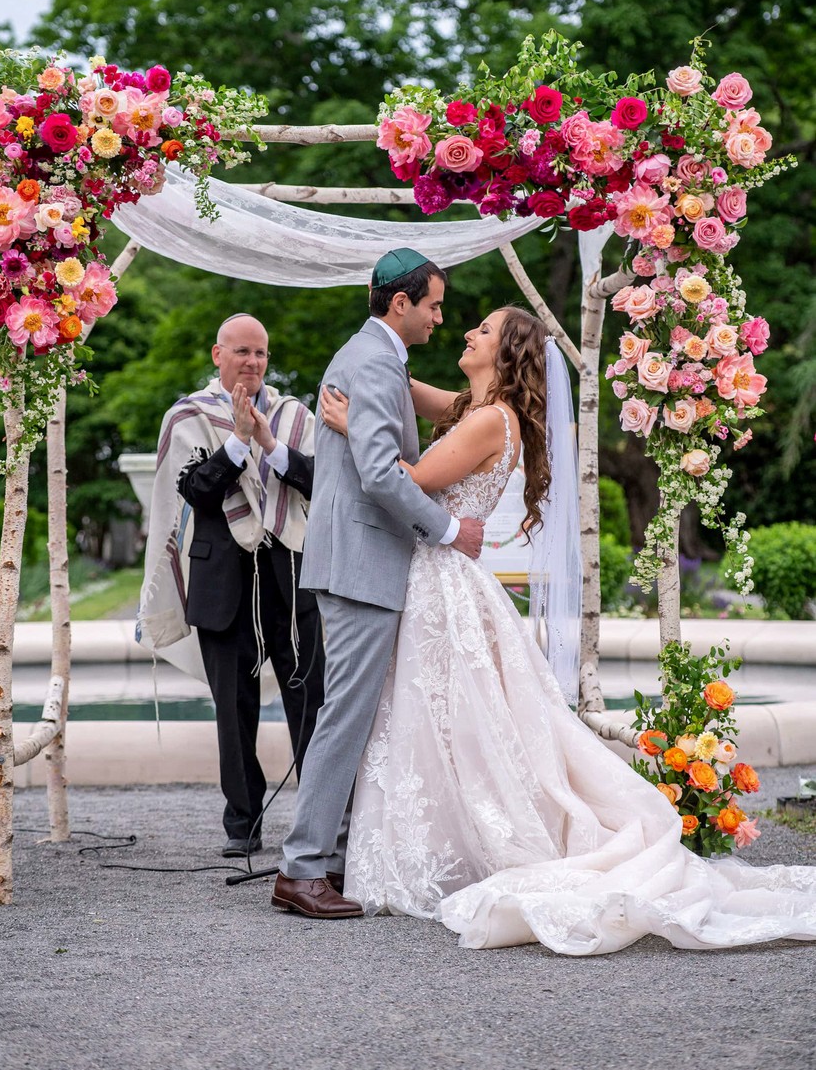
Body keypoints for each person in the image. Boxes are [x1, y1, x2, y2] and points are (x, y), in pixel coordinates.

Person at [319, 304, 816, 954]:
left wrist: (356, 421)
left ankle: (440, 849)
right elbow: (416, 387)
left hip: (444, 584)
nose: (466, 330)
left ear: (505, 356)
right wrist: (383, 358)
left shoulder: (486, 423)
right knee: (450, 725)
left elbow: (408, 479)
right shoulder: (477, 411)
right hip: (442, 585)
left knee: (448, 722)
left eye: (484, 330)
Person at [271, 249, 486, 918]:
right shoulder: (370, 360)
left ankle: (324, 856)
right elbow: (381, 474)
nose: (441, 318)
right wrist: (449, 531)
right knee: (346, 715)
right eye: (434, 305)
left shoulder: (380, 359)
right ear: (401, 303)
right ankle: (302, 868)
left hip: (361, 561)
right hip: (362, 564)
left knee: (355, 714)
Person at [144, 313, 324, 858]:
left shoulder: (293, 416)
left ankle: (322, 822)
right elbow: (193, 493)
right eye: (241, 351)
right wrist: (238, 442)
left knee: (308, 696)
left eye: (260, 354)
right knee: (234, 705)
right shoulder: (189, 416)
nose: (251, 362)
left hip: (289, 570)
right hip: (224, 575)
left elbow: (321, 481)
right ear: (217, 355)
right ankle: (242, 822)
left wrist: (269, 444)